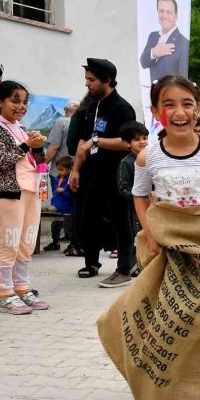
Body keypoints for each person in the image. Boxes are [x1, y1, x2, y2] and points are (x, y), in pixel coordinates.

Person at [0, 80, 50, 314]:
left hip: (32, 190)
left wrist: (39, 147)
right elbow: (0, 161)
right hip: (8, 192)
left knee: (27, 243)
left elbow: (39, 163)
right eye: (15, 101)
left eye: (24, 102)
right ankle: (5, 292)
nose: (20, 106)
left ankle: (22, 288)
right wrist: (26, 145)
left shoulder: (22, 128)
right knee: (8, 242)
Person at [69, 58, 136, 288]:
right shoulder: (92, 106)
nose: (87, 84)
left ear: (107, 80)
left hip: (115, 173)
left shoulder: (122, 108)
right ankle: (91, 262)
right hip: (91, 172)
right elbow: (82, 141)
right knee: (89, 217)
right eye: (86, 79)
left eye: (92, 80)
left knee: (120, 218)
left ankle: (125, 267)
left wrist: (96, 141)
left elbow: (127, 142)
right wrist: (75, 169)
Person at [117, 122, 149, 276]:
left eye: (144, 138)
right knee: (142, 238)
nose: (142, 142)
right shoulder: (127, 163)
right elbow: (123, 188)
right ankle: (140, 267)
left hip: (157, 208)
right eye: (137, 139)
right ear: (127, 143)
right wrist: (141, 196)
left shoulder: (153, 159)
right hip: (137, 210)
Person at [139, 0, 189, 81]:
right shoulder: (153, 36)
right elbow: (143, 62)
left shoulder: (184, 43)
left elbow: (182, 79)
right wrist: (154, 52)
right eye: (161, 11)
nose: (164, 16)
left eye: (169, 12)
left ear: (176, 16)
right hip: (152, 93)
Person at [47, 156, 75, 253]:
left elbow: (72, 194)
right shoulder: (57, 179)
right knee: (55, 225)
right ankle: (55, 242)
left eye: (61, 170)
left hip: (67, 208)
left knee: (69, 227)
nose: (59, 172)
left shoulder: (71, 179)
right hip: (57, 207)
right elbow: (55, 192)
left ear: (69, 169)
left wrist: (63, 191)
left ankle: (72, 244)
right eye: (58, 169)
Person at [45, 100, 78, 168]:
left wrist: (43, 166)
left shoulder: (61, 122)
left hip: (60, 169)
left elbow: (54, 146)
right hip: (75, 169)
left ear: (66, 110)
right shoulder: (84, 123)